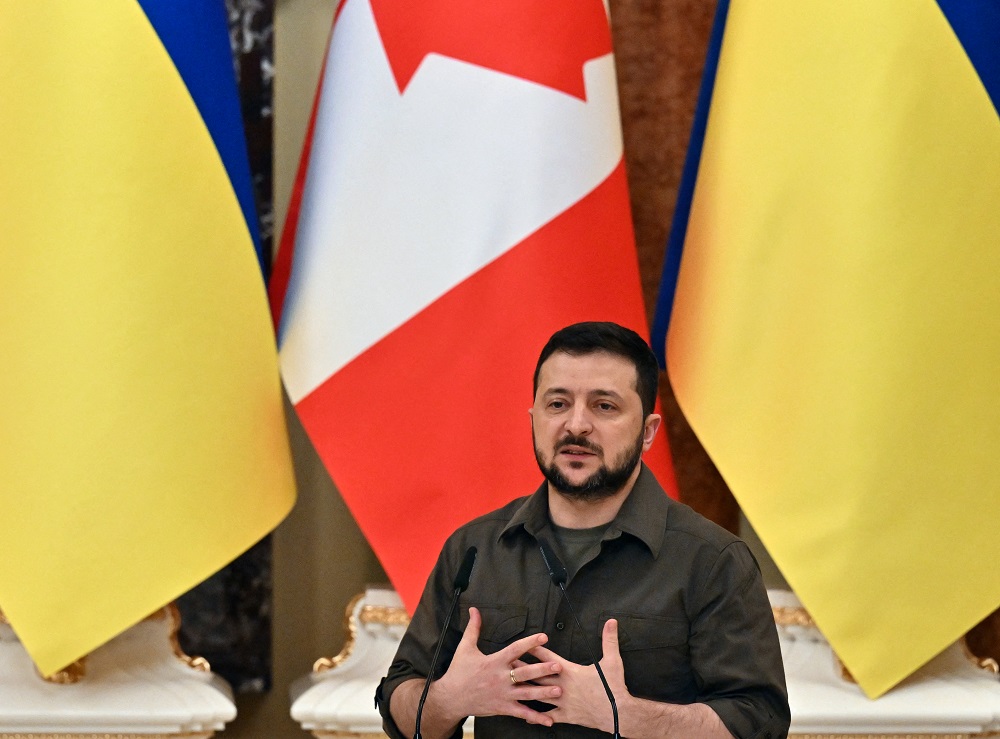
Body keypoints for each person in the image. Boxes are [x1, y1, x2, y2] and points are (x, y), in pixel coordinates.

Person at [376, 322, 790, 738]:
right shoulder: (474, 549)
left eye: (604, 406)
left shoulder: (713, 560)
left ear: (647, 432)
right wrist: (448, 700)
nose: (576, 425)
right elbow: (400, 704)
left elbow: (759, 723)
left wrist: (628, 716)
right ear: (534, 418)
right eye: (557, 404)